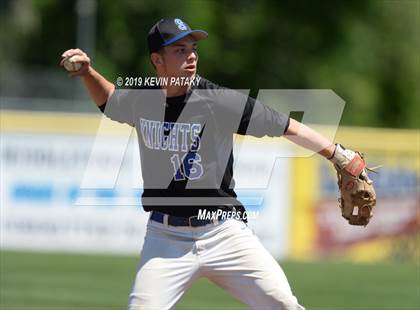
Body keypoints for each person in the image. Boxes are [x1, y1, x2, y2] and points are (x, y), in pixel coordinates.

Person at [61, 17, 358, 310]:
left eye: (192, 48)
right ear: (157, 59)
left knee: (283, 305)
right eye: (179, 50)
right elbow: (110, 100)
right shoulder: (144, 99)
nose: (190, 56)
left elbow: (287, 126)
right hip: (166, 239)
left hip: (223, 232)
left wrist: (337, 154)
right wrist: (88, 73)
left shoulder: (218, 101)